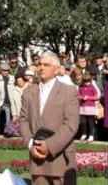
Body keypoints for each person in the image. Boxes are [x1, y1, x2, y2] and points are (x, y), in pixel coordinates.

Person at [19, 52, 79, 185]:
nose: (41, 68)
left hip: (61, 160)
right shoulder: (28, 92)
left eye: (46, 65)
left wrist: (50, 146)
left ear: (57, 69)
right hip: (37, 160)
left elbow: (71, 124)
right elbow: (23, 120)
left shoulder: (69, 91)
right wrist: (31, 144)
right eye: (39, 64)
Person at [78, 71, 100, 142]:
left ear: (90, 81)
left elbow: (96, 97)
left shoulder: (92, 87)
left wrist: (88, 97)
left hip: (91, 108)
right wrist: (81, 97)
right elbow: (78, 96)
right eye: (85, 82)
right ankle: (84, 134)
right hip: (82, 108)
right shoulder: (80, 87)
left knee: (90, 122)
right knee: (83, 122)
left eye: (88, 82)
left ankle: (91, 135)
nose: (86, 83)